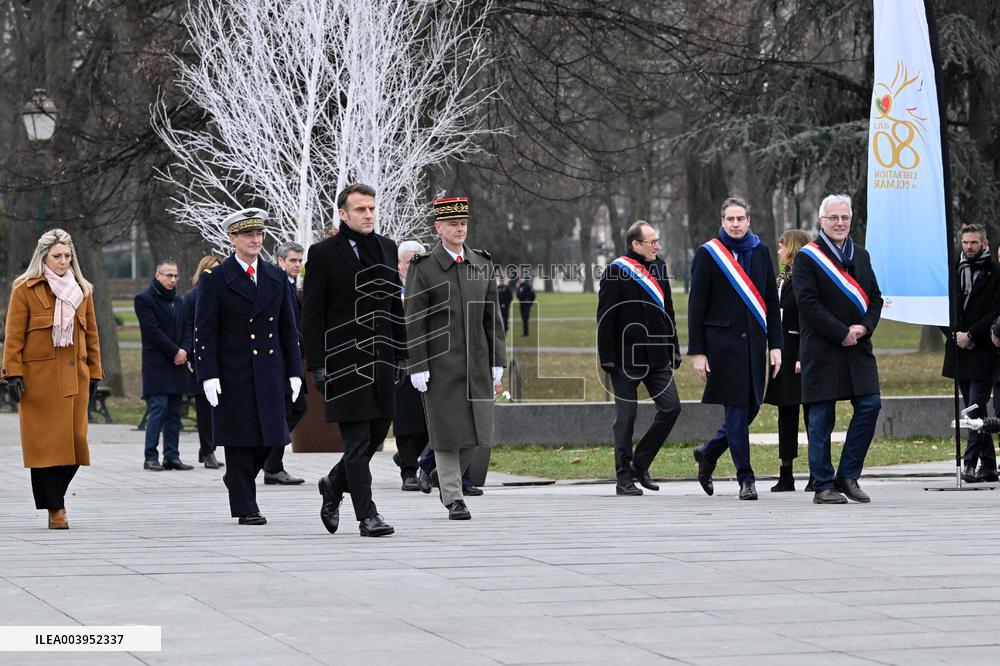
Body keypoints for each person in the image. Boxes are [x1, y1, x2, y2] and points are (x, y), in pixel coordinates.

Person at [303, 183, 404, 537]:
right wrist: (317, 364)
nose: (369, 214)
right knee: (357, 442)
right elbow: (311, 314)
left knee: (375, 437)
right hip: (344, 362)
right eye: (361, 209)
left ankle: (333, 483)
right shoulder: (322, 253)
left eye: (372, 208)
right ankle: (367, 516)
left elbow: (394, 306)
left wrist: (402, 354)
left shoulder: (387, 247)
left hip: (383, 359)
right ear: (343, 214)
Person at [194, 209, 303, 525]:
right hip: (234, 371)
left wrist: (295, 371)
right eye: (248, 235)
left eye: (259, 234)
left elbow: (287, 329)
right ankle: (246, 507)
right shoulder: (215, 278)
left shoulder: (275, 276)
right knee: (240, 440)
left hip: (269, 370)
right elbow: (205, 330)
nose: (256, 240)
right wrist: (208, 374)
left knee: (274, 436)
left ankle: (237, 480)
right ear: (233, 239)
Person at [405, 196, 506, 520]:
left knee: (478, 433)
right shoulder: (424, 268)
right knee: (447, 433)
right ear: (439, 228)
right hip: (440, 365)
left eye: (462, 223)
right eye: (452, 224)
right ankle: (454, 498)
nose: (459, 229)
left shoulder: (482, 263)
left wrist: (497, 360)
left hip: (477, 363)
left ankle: (440, 475)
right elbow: (415, 320)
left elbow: (493, 317)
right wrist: (417, 364)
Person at [2, 229, 103, 529]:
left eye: (67, 256)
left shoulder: (83, 290)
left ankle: (53, 498)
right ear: (43, 257)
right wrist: (12, 372)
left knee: (76, 445)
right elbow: (14, 335)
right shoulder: (25, 288)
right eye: (57, 256)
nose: (63, 261)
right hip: (39, 380)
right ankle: (56, 508)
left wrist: (95, 371)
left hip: (76, 378)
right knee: (45, 447)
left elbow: (92, 334)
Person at [689, 197, 782, 500]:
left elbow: (771, 302)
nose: (735, 224)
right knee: (737, 410)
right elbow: (696, 306)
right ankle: (746, 478)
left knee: (751, 407)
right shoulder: (709, 254)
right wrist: (698, 352)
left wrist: (776, 345)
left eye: (740, 218)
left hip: (755, 346)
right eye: (730, 219)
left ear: (748, 221)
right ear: (722, 221)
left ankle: (709, 452)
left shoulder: (761, 251)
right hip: (722, 347)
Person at [794, 194, 884, 504]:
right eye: (833, 217)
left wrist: (864, 328)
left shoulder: (861, 255)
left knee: (870, 405)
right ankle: (822, 486)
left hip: (858, 347)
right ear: (821, 221)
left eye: (845, 217)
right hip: (823, 348)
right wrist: (840, 332)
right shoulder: (807, 257)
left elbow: (875, 298)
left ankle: (847, 475)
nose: (840, 223)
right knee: (821, 418)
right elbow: (808, 304)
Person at [597, 220, 682, 495]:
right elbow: (605, 317)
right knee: (626, 419)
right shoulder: (616, 271)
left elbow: (668, 311)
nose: (657, 246)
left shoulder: (660, 267)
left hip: (657, 356)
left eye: (657, 241)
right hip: (625, 359)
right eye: (652, 242)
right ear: (635, 244)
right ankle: (624, 478)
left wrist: (674, 346)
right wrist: (607, 357)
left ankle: (640, 463)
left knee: (671, 408)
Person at [763, 229, 814, 492]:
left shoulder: (807, 278)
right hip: (783, 353)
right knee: (786, 414)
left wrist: (803, 356)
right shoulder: (782, 278)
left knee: (812, 416)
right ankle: (786, 473)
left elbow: (809, 317)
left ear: (793, 248)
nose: (779, 251)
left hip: (801, 353)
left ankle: (817, 472)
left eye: (782, 246)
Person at [134, 260, 193, 471]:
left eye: (175, 275)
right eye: (169, 275)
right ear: (158, 276)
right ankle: (151, 456)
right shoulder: (144, 299)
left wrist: (184, 350)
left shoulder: (179, 301)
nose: (173, 279)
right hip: (157, 364)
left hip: (177, 363)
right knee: (158, 408)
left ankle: (172, 456)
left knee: (174, 412)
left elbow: (188, 327)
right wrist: (175, 351)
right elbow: (152, 330)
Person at [261, 241, 307, 486]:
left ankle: (270, 462)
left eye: (300, 260)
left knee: (294, 409)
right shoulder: (276, 285)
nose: (297, 265)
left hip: (292, 358)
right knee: (289, 410)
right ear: (280, 261)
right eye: (292, 260)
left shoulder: (289, 285)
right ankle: (271, 464)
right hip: (280, 360)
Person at [393, 240, 429, 491]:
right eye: (410, 262)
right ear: (398, 264)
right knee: (405, 417)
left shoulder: (432, 286)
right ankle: (408, 471)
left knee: (428, 419)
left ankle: (409, 456)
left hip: (427, 356)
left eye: (420, 261)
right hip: (400, 359)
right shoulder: (389, 288)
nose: (415, 267)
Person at [181, 255, 223, 469]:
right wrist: (190, 355)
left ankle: (209, 446)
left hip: (222, 357)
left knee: (218, 408)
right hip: (200, 356)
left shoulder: (224, 293)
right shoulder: (192, 297)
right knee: (205, 409)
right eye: (211, 269)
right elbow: (189, 327)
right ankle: (207, 450)